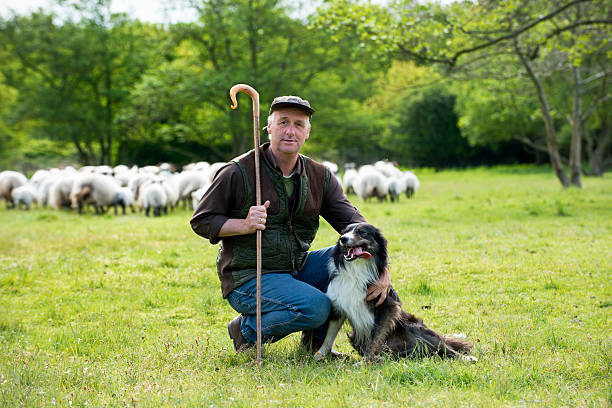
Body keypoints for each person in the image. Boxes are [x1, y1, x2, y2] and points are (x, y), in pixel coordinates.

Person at [190, 95, 391, 354]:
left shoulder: (320, 176)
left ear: (307, 132)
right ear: (269, 127)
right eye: (283, 122)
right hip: (249, 275)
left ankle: (315, 347)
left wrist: (382, 268)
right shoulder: (238, 171)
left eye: (298, 124)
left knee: (356, 263)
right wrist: (244, 224)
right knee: (317, 306)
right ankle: (246, 331)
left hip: (296, 266)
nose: (290, 131)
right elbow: (201, 220)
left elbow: (354, 222)